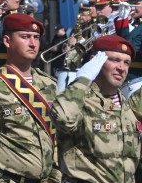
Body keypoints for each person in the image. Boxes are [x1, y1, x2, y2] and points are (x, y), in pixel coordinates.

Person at [0, 13, 60, 183]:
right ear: (7, 41)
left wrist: (56, 175)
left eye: (36, 37)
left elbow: (57, 138)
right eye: (25, 37)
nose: (33, 43)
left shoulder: (50, 86)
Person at [51, 34, 141, 183]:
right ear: (95, 62)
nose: (121, 68)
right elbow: (63, 119)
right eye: (114, 60)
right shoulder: (79, 99)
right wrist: (83, 78)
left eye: (126, 63)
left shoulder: (127, 106)